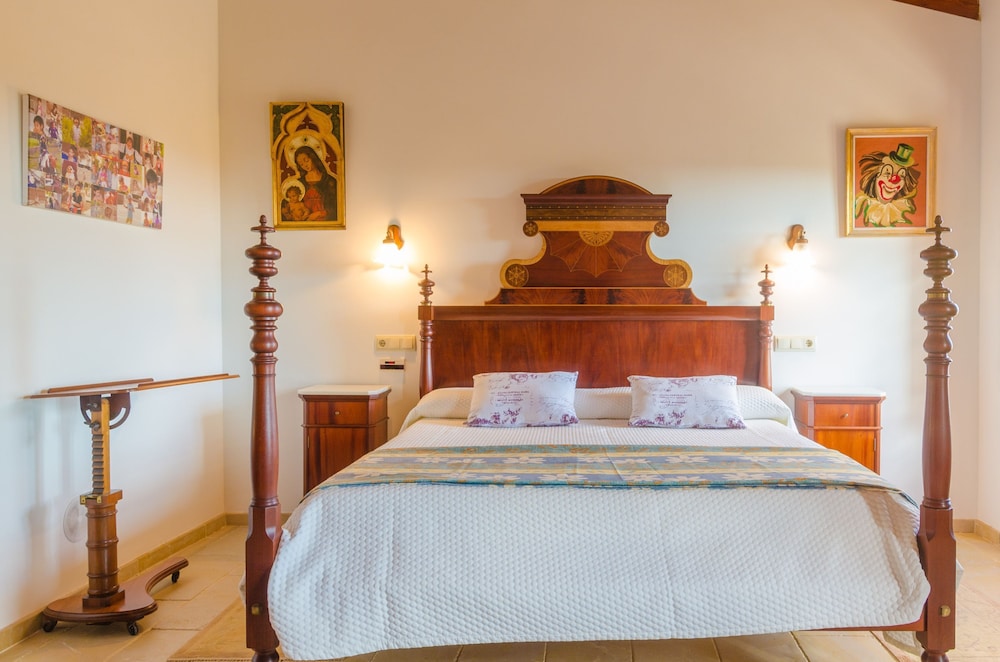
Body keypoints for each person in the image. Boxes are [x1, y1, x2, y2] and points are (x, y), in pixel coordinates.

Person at [291, 145, 337, 221]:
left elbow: (335, 207)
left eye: (306, 160)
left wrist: (319, 214)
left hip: (324, 220)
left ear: (313, 158)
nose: (305, 165)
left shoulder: (329, 180)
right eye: (301, 164)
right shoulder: (299, 183)